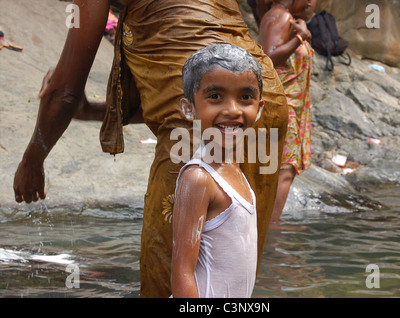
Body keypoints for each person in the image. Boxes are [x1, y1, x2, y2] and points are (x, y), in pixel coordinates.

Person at [13, 0, 288, 297]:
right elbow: (171, 90)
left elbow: (63, 93)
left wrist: (32, 160)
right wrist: (92, 111)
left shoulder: (195, 146)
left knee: (169, 279)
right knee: (232, 272)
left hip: (200, 126)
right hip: (265, 105)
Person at [171, 44, 264, 298]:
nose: (232, 109)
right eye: (215, 96)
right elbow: (182, 273)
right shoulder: (199, 178)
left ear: (260, 107)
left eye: (245, 97)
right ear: (189, 108)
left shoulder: (234, 169)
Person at [258, 0, 316, 223]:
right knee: (284, 170)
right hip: (283, 106)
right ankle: (271, 230)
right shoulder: (282, 17)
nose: (312, 3)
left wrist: (302, 35)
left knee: (275, 169)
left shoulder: (282, 16)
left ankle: (266, 228)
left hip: (289, 107)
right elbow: (268, 58)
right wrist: (300, 38)